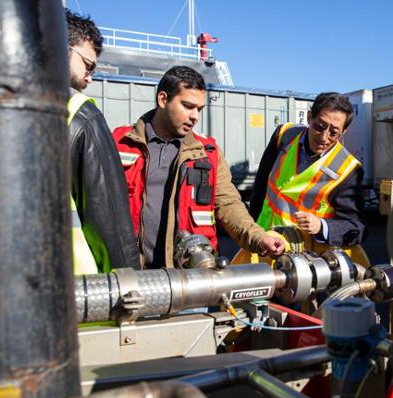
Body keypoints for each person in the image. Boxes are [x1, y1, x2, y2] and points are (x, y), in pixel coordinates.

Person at [112, 66, 285, 269]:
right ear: (162, 99)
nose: (195, 116)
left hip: (190, 277)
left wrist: (258, 237)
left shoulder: (208, 152)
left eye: (200, 109)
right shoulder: (118, 143)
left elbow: (228, 204)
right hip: (130, 273)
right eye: (188, 106)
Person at [66, 9, 139, 273]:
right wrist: (133, 294)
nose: (89, 78)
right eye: (88, 65)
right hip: (79, 298)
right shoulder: (79, 113)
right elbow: (112, 227)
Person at [249, 92, 366, 247]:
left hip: (302, 258)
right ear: (309, 117)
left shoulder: (348, 169)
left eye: (334, 132)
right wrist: (252, 231)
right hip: (263, 241)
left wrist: (321, 226)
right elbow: (260, 187)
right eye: (319, 126)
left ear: (343, 132)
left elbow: (357, 228)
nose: (324, 137)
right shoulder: (284, 135)